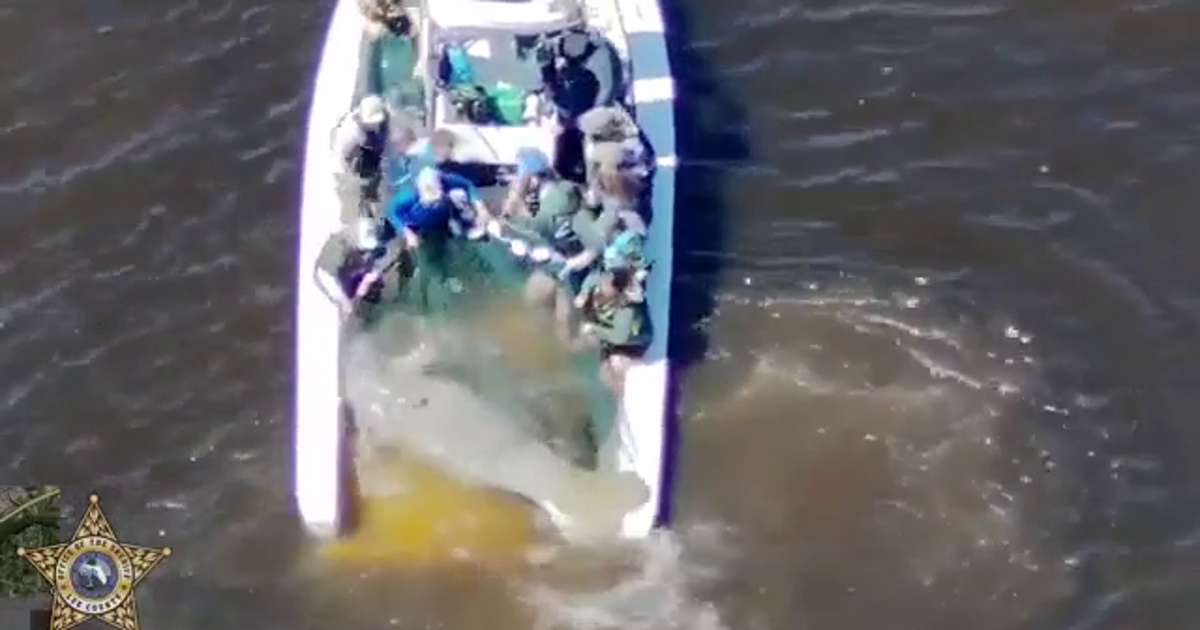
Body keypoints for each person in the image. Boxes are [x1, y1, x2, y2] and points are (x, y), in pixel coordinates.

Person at [572, 268, 652, 394]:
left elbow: (619, 337)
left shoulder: (626, 307)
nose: (600, 284)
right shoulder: (600, 283)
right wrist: (584, 292)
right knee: (602, 373)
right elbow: (593, 277)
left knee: (615, 363)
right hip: (609, 331)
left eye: (605, 284)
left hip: (631, 341)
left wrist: (594, 328)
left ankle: (625, 394)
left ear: (617, 291)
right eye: (603, 279)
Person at [314, 217, 411, 316]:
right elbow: (324, 274)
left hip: (360, 263)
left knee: (376, 269)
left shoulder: (371, 227)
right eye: (363, 251)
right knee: (352, 301)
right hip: (339, 277)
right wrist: (344, 300)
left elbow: (394, 245)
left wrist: (374, 274)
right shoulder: (335, 249)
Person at [332, 94, 393, 224]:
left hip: (372, 152)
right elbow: (343, 159)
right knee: (363, 191)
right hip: (358, 161)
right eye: (372, 123)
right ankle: (365, 212)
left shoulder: (384, 115)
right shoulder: (351, 133)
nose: (375, 124)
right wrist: (356, 179)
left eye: (377, 121)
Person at [541, 29, 622, 125]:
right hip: (592, 55)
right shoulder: (596, 100)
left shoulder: (567, 107)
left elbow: (551, 85)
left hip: (590, 57)